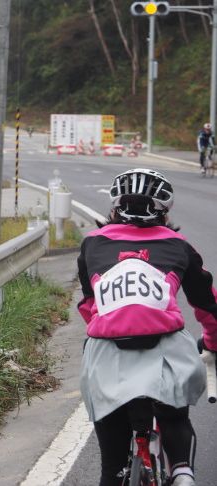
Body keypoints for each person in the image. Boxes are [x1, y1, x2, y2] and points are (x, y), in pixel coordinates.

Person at [77, 168, 217, 486]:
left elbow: (89, 306)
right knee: (174, 413)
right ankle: (182, 471)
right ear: (164, 210)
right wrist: (212, 343)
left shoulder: (92, 245)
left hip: (107, 356)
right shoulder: (179, 246)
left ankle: (114, 475)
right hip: (165, 352)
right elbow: (208, 305)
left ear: (115, 206)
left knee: (111, 469)